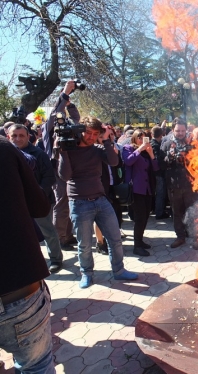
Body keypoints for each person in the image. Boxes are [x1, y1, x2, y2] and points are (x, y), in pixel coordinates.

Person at [57, 116, 138, 288]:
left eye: (95, 133)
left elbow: (114, 162)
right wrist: (63, 151)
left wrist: (107, 140)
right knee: (84, 245)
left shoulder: (97, 148)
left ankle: (119, 271)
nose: (91, 137)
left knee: (115, 239)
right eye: (88, 132)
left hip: (101, 200)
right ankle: (86, 274)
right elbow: (64, 176)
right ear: (80, 130)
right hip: (79, 203)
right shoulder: (69, 149)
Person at [0, 137, 55, 373]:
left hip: (17, 292)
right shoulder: (4, 149)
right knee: (37, 367)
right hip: (18, 291)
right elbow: (41, 206)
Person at [8, 124, 64, 273]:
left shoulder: (38, 154)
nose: (18, 138)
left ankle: (56, 260)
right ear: (8, 136)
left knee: (48, 232)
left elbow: (49, 177)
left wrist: (36, 193)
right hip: (16, 203)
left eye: (21, 135)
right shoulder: (6, 154)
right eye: (14, 135)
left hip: (39, 201)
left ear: (28, 137)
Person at [42, 80, 80, 250]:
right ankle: (59, 239)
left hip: (70, 167)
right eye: (60, 117)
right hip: (57, 169)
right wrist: (65, 93)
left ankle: (68, 234)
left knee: (69, 202)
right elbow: (54, 114)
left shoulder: (66, 127)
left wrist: (70, 106)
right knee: (62, 204)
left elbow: (77, 121)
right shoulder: (48, 129)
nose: (62, 119)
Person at [161, 118, 198, 248]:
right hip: (174, 185)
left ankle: (195, 238)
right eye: (178, 130)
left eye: (183, 130)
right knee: (177, 213)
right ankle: (180, 237)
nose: (180, 133)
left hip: (189, 184)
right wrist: (169, 157)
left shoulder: (192, 143)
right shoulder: (166, 144)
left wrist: (187, 157)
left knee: (192, 212)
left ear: (186, 130)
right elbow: (160, 165)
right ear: (173, 130)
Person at [122, 129, 159, 256]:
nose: (141, 140)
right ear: (134, 138)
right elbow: (128, 161)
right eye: (139, 138)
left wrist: (151, 153)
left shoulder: (147, 152)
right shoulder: (128, 148)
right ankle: (137, 245)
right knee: (139, 217)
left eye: (144, 138)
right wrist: (140, 149)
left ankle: (140, 241)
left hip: (147, 189)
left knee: (145, 216)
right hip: (136, 189)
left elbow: (156, 168)